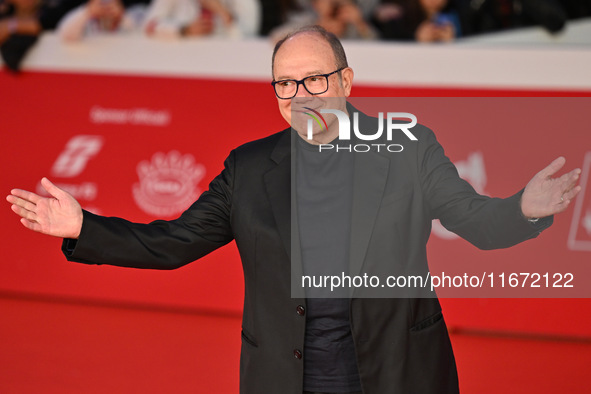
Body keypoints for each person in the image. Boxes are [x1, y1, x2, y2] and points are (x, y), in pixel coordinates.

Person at [6, 25, 582, 393]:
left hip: (397, 369)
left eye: (314, 79)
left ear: (347, 80)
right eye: (285, 84)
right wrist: (84, 226)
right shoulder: (249, 167)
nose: (299, 95)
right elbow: (176, 242)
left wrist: (524, 209)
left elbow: (473, 220)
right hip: (288, 373)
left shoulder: (408, 148)